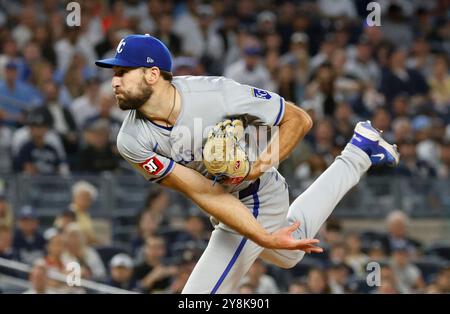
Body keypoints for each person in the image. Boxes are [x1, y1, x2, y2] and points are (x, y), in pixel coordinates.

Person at [95, 34, 400, 293]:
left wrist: (256, 166)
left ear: (151, 74)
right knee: (289, 253)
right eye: (114, 73)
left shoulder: (215, 94)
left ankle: (357, 153)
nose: (114, 81)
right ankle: (360, 150)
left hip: (257, 193)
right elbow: (203, 192)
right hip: (226, 202)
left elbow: (299, 119)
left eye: (123, 71)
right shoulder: (131, 140)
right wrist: (264, 237)